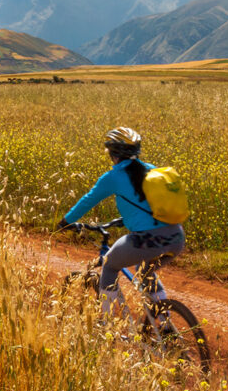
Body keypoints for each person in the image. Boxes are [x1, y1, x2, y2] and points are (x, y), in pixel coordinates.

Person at [56, 127, 185, 322]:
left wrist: (65, 221)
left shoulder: (113, 177)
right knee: (145, 272)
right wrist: (126, 220)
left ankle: (105, 323)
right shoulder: (152, 170)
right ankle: (164, 325)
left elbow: (88, 200)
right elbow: (151, 206)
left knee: (108, 265)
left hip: (147, 240)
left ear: (112, 153)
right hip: (176, 236)